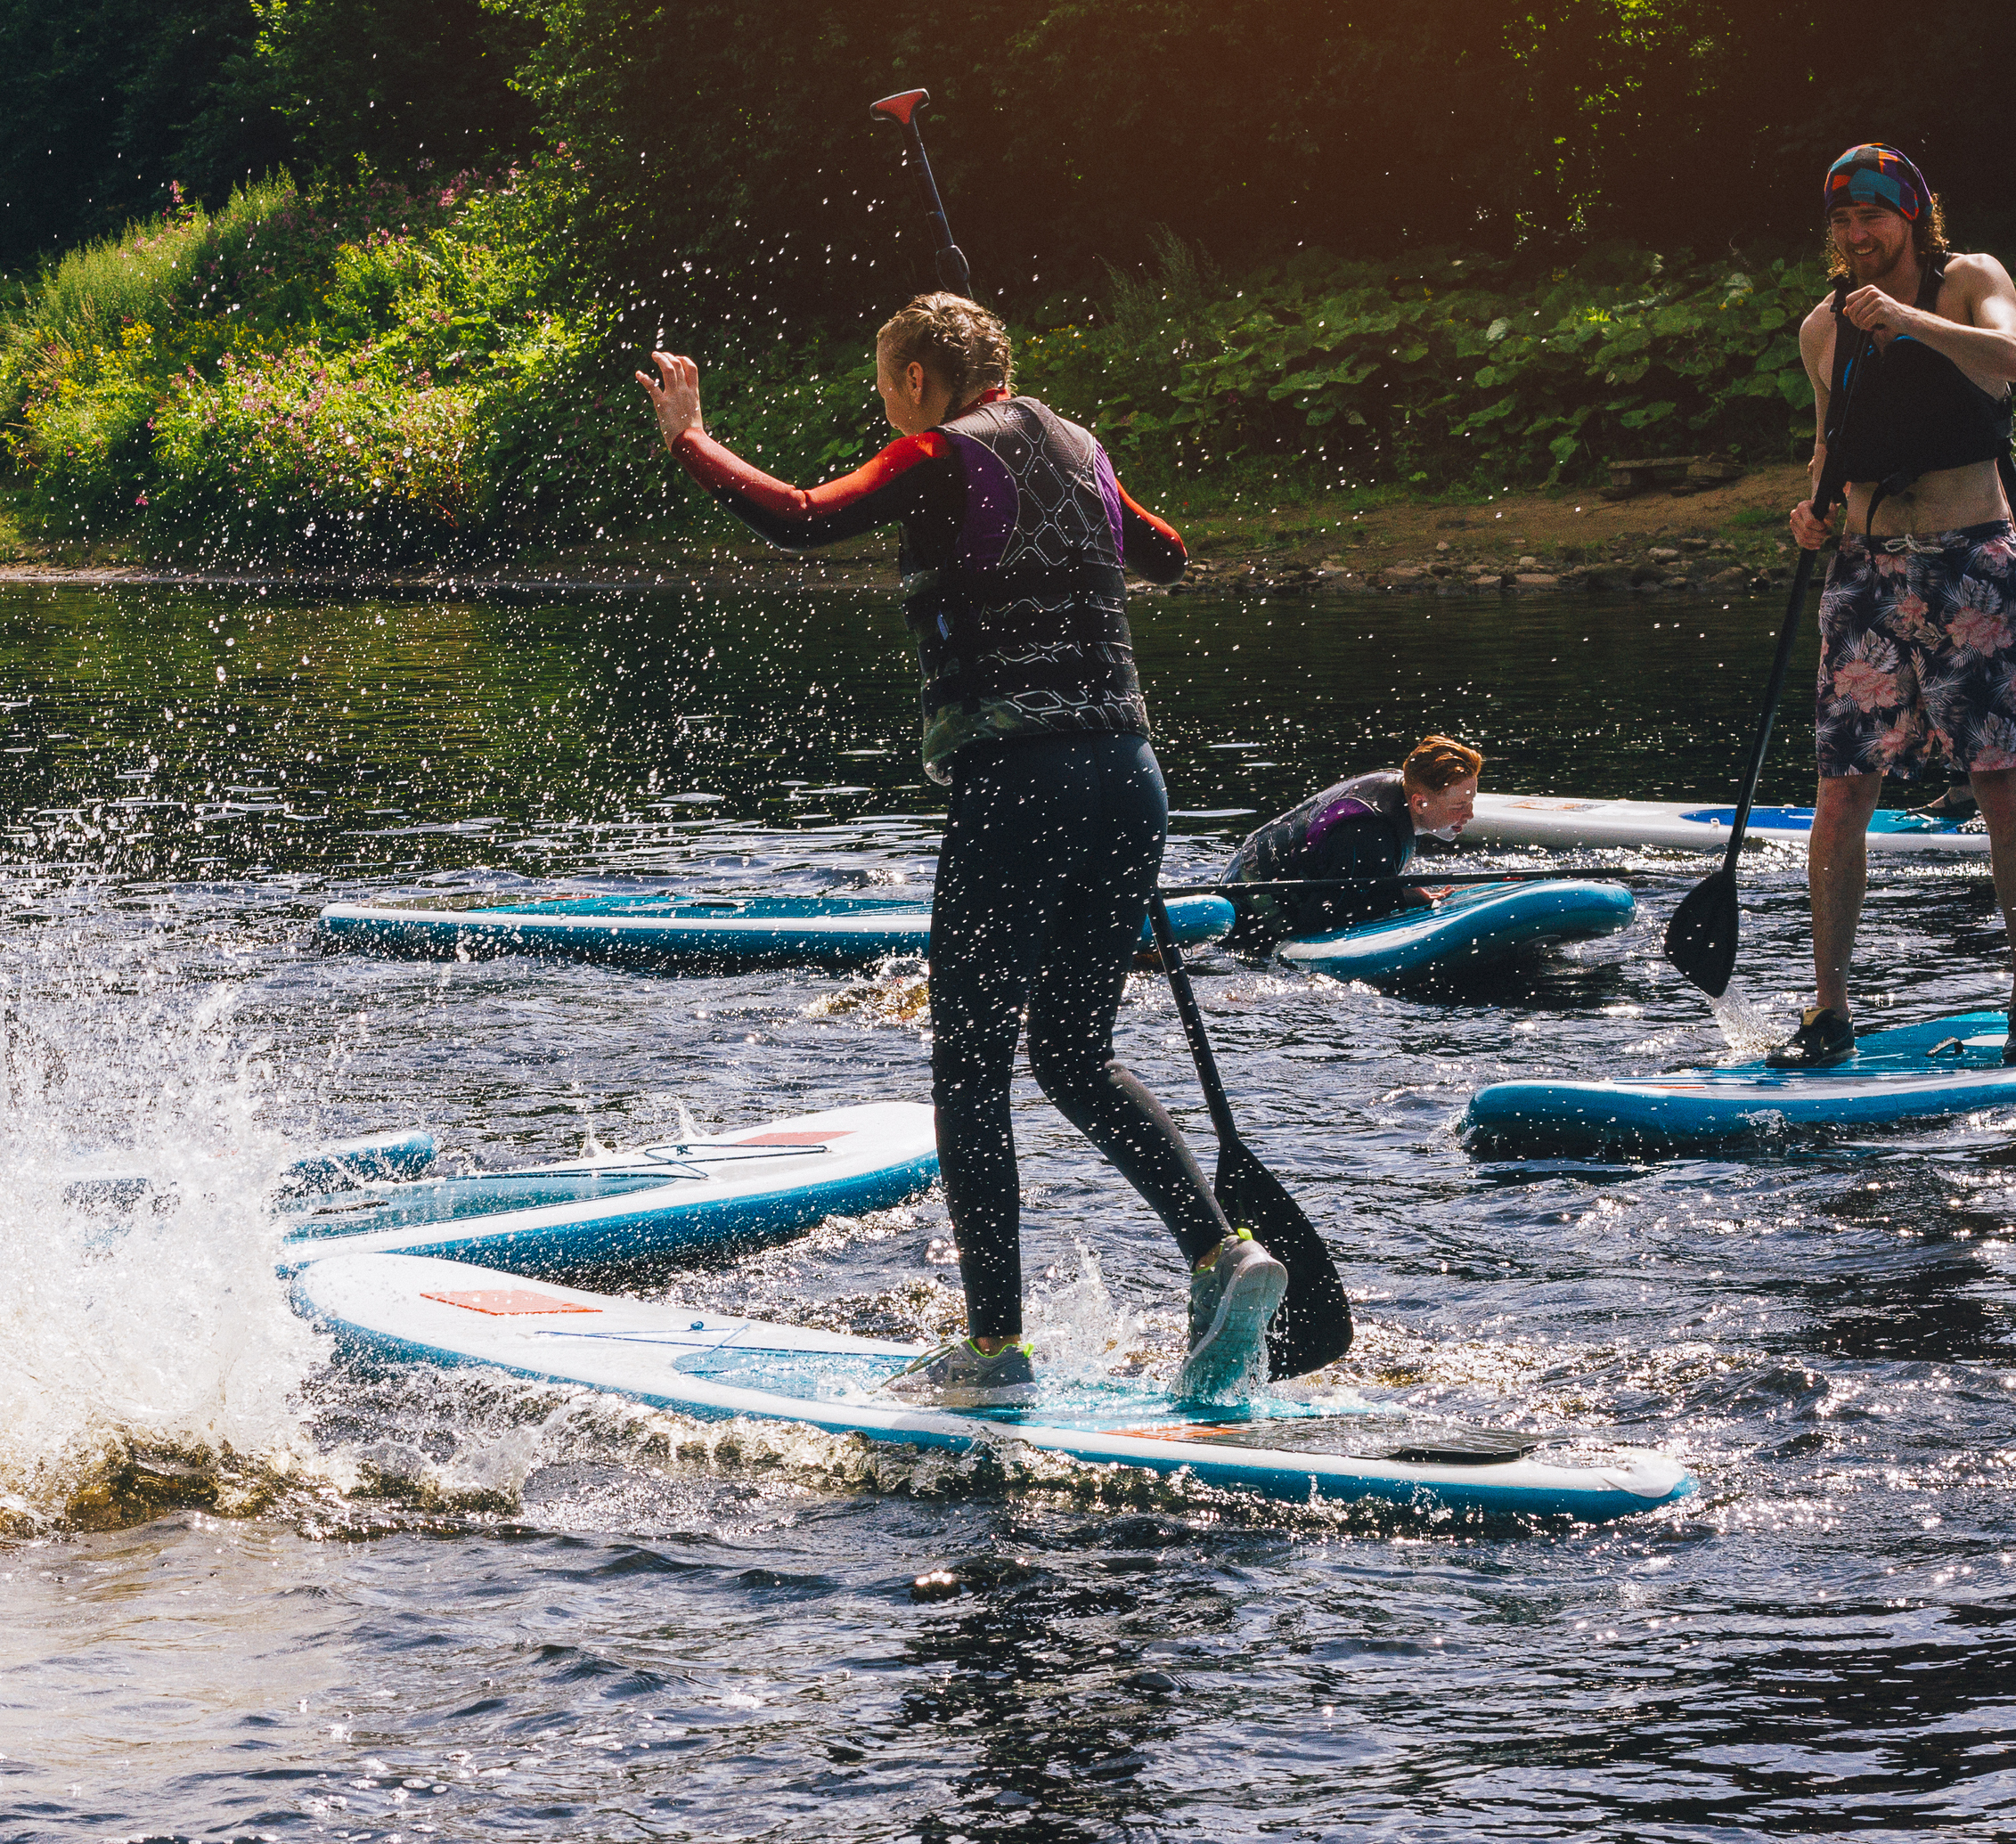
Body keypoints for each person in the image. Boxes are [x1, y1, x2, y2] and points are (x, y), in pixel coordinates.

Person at [636, 294, 1286, 1407]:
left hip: (1019, 781)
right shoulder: (1084, 449)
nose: (883, 406)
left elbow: (800, 514)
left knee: (970, 1068)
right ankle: (1223, 1255)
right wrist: (1064, 484)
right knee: (1075, 1053)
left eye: (887, 384)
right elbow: (1166, 554)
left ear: (926, 381)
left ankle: (993, 1354)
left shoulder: (937, 452)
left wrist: (691, 441)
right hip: (1130, 780)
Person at [1772, 143, 2016, 1070]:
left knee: (2000, 781)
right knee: (1843, 789)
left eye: (1874, 219)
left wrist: (1912, 323)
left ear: (1912, 217)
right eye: (1843, 222)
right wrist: (1813, 512)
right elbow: (1828, 448)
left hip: (1973, 560)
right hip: (1865, 572)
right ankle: (1830, 1007)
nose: (1857, 236)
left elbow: (2014, 359)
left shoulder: (1969, 279)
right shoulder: (1824, 327)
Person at [1220, 737, 1484, 942]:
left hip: (1247, 868)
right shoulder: (1371, 836)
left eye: (1471, 802)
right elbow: (1316, 919)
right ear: (1419, 802)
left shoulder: (1395, 789)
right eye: (1459, 805)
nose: (1469, 814)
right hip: (1252, 911)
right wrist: (1400, 897)